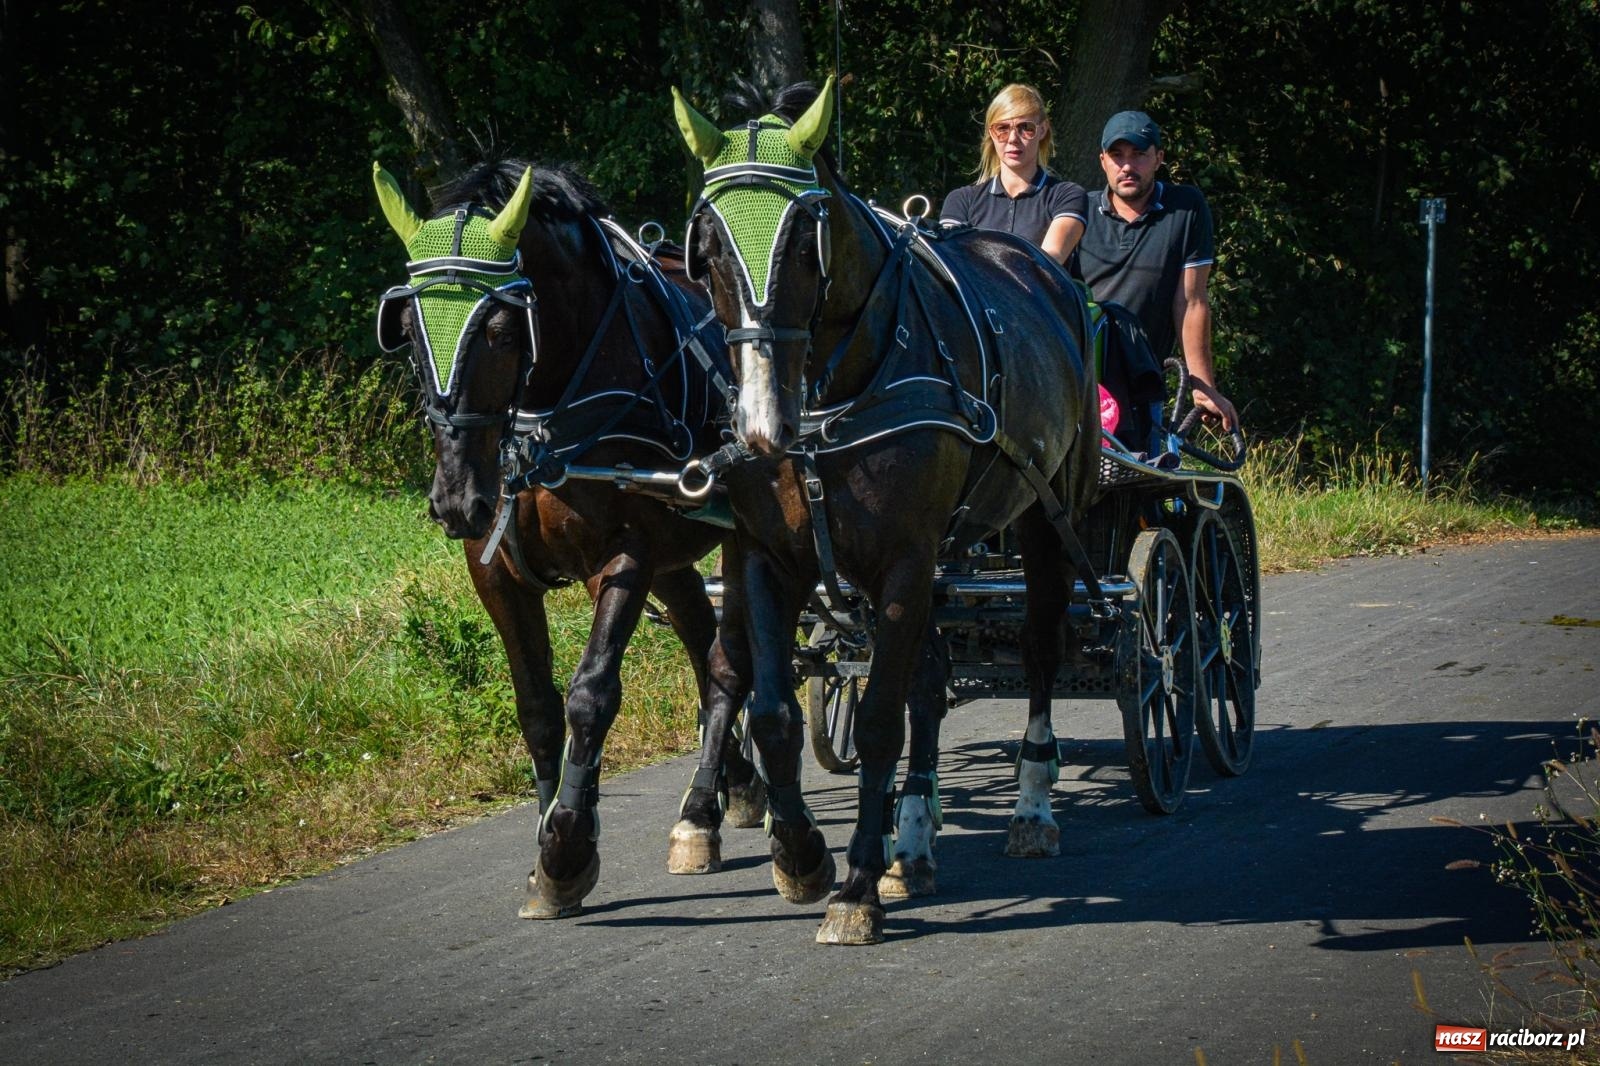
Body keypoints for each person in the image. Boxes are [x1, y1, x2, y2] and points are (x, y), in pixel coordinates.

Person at [1075, 110, 1239, 431]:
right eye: (1117, 155)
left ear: (1158, 158)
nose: (1127, 166)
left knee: (1143, 461)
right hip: (1080, 380)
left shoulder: (1186, 207)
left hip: (1143, 381)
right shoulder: (1077, 210)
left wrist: (1202, 386)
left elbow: (1190, 301)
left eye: (1138, 154)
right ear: (1102, 161)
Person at [939, 84, 1087, 264]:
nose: (1013, 139)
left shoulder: (1067, 196)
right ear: (991, 133)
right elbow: (950, 264)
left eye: (1025, 127)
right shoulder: (961, 200)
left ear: (1042, 130)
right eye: (1002, 128)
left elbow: (1048, 264)